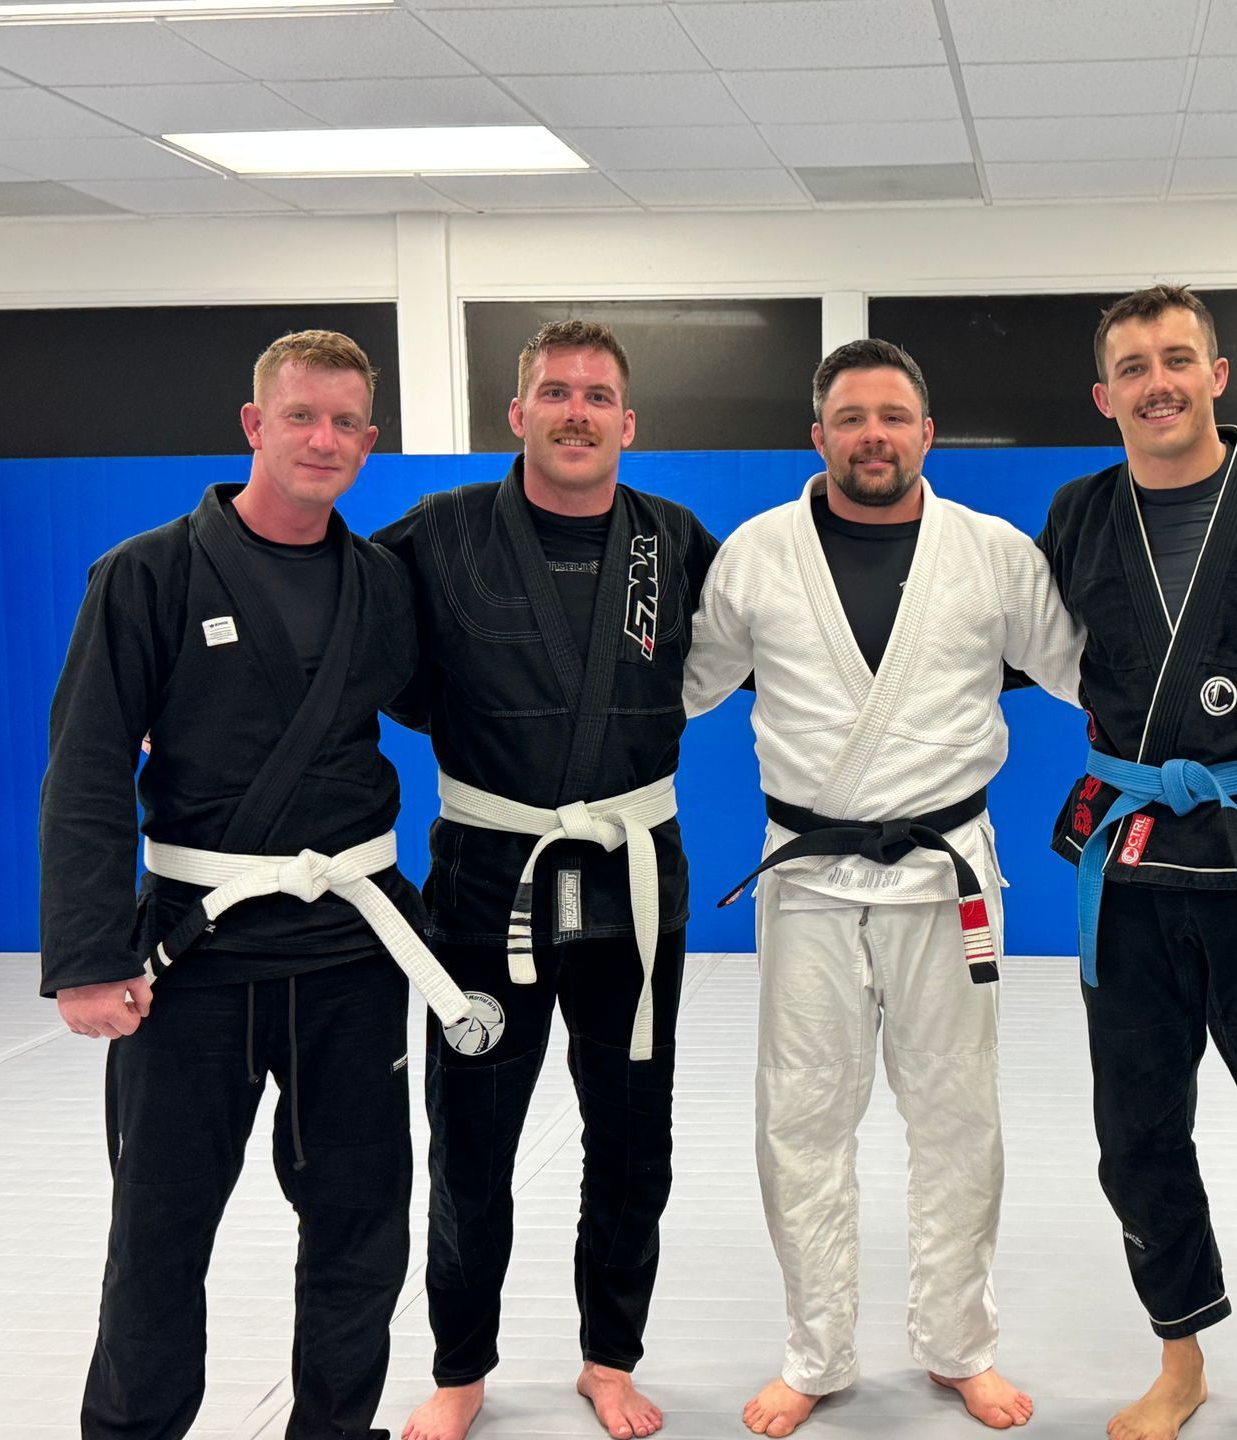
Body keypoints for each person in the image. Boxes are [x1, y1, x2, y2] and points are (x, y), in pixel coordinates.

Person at [41, 329, 464, 1440]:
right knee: (158, 1234)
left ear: (369, 442)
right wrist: (88, 957)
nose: (323, 439)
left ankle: (333, 1428)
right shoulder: (147, 575)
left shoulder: (384, 584)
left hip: (348, 957)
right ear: (254, 424)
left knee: (363, 1227)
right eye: (300, 416)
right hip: (192, 958)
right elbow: (86, 768)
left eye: (345, 423)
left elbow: (452, 702)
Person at [683, 338, 1081, 1436]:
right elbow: (674, 687)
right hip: (808, 879)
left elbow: (1093, 671)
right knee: (801, 1118)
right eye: (851, 418)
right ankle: (817, 1352)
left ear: (927, 434)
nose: (873, 437)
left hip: (945, 875)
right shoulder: (756, 556)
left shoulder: (993, 554)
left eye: (894, 417)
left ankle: (960, 1346)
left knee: (959, 1119)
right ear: (817, 436)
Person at [376, 320, 720, 1440]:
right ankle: (461, 1366)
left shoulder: (675, 542)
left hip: (634, 887)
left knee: (633, 1135)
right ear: (517, 412)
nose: (578, 412)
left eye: (598, 395)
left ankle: (608, 1358)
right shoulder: (437, 533)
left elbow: (773, 648)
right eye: (556, 393)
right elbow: (337, 629)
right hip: (488, 880)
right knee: (470, 1137)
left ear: (629, 422)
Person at [1036, 285, 1237, 1440]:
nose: (1157, 383)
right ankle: (1180, 1359)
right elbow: (1029, 652)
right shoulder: (1080, 514)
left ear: (1218, 375)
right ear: (1104, 395)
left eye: (1178, 359)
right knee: (1136, 1135)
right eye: (1133, 367)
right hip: (1129, 878)